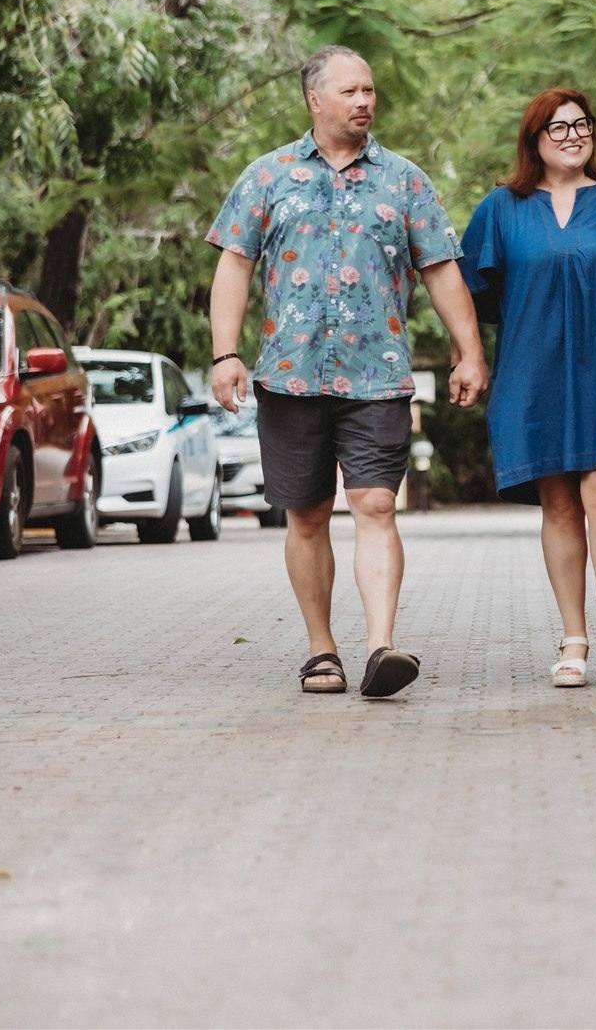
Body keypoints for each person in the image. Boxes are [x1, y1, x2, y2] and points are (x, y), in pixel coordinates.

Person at [207, 45, 487, 699]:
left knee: (375, 502)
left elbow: (442, 268)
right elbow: (234, 266)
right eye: (351, 91)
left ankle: (381, 645)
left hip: (378, 375)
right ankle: (320, 649)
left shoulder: (405, 180)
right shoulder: (267, 176)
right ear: (315, 99)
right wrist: (226, 353)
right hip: (290, 374)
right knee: (306, 514)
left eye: (370, 91)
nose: (364, 101)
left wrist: (468, 350)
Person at [458, 87, 596, 689]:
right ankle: (572, 635)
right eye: (558, 129)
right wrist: (468, 358)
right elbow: (460, 293)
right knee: (558, 505)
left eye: (582, 126)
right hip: (533, 375)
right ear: (534, 140)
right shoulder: (501, 209)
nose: (573, 136)